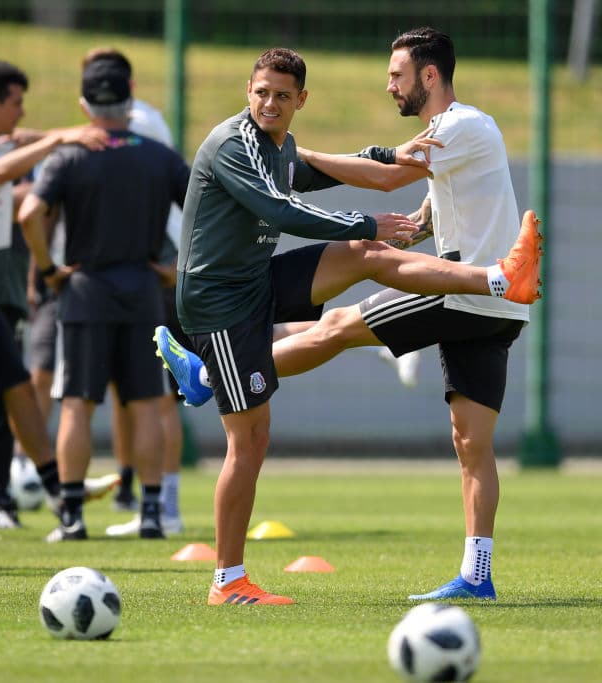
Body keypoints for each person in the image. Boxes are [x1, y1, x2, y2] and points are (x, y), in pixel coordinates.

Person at [155, 47, 541, 606]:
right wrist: (367, 219)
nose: (270, 103)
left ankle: (500, 280)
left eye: (283, 96)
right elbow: (282, 209)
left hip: (256, 281)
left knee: (366, 255)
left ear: (301, 100)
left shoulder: (282, 145)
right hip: (221, 301)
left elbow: (346, 170)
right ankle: (228, 582)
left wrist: (380, 168)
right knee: (252, 439)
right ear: (247, 91)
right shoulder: (234, 144)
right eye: (262, 93)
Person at [275, 27, 534, 600]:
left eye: (397, 75)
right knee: (472, 444)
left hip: (464, 293)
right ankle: (477, 576)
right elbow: (427, 218)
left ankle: (215, 373)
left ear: (430, 75)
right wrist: (400, 232)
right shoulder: (462, 133)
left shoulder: (458, 126)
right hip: (497, 308)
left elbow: (388, 174)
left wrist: (295, 154)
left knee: (336, 326)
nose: (389, 85)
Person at [0, 59, 109, 541]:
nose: (21, 112)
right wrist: (60, 139)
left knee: (19, 390)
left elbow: (18, 141)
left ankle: (56, 495)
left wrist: (62, 137)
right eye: (15, 103)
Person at [17, 57, 191, 541]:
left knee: (77, 404)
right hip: (143, 290)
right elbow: (207, 210)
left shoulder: (70, 156)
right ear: (130, 101)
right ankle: (151, 513)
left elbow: (29, 213)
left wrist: (48, 270)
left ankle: (72, 517)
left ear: (84, 105)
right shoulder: (159, 156)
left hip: (84, 291)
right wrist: (178, 267)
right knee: (148, 402)